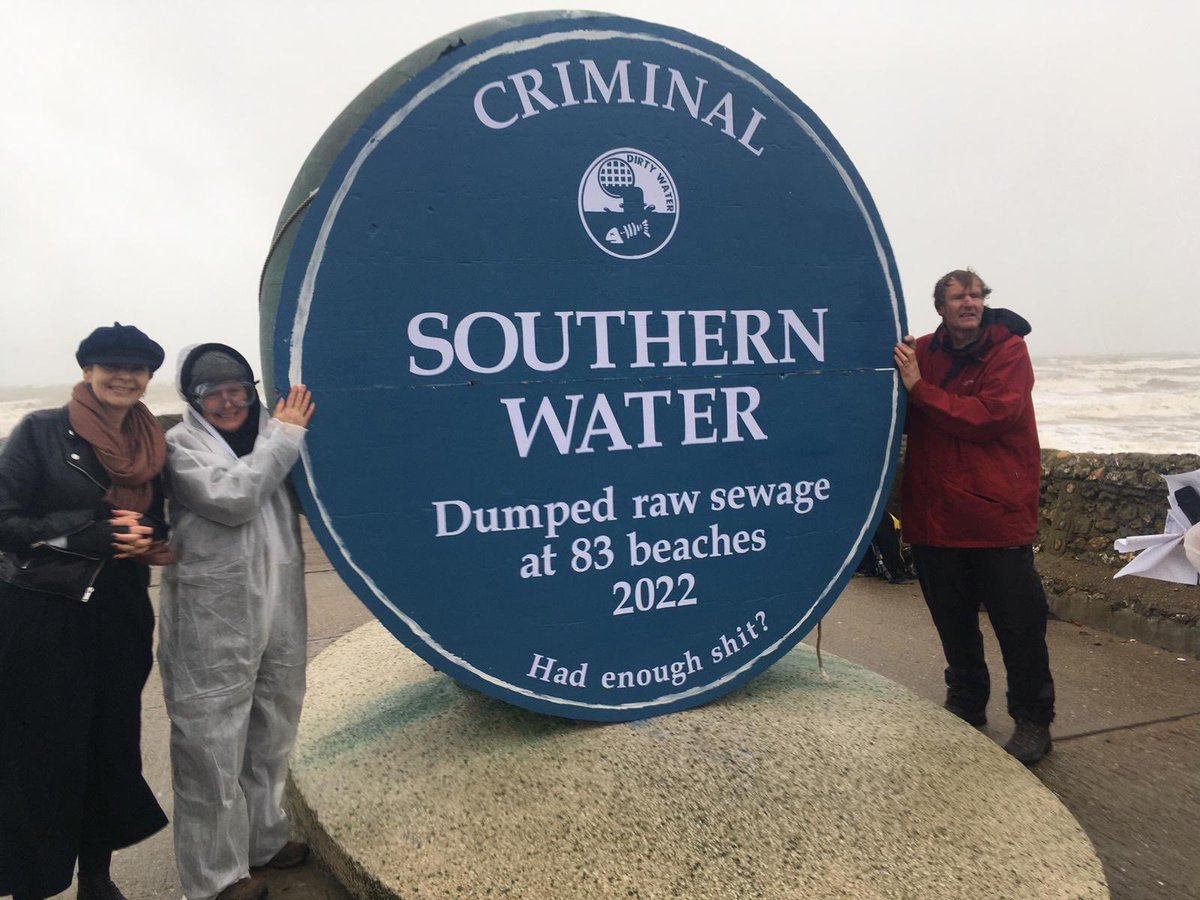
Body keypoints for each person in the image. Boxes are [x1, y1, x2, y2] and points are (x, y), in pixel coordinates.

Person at [0, 323, 171, 900]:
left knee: (111, 741)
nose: (124, 376)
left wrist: (146, 537)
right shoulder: (41, 431)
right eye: (110, 365)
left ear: (149, 378)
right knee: (43, 748)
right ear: (86, 371)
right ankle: (33, 882)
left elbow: (161, 524)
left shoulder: (151, 443)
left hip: (120, 610)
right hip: (44, 614)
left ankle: (97, 876)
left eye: (137, 368)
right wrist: (84, 534)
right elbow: (4, 521)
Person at [158, 343, 315, 900]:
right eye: (214, 393)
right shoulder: (180, 447)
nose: (230, 402)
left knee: (272, 733)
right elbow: (236, 496)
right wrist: (287, 435)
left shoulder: (274, 434)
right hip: (212, 625)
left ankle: (264, 842)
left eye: (239, 390)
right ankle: (215, 879)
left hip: (280, 613)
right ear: (194, 400)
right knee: (210, 753)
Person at [893, 269, 1055, 764]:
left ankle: (1033, 721)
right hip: (935, 515)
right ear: (939, 307)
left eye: (977, 295)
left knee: (1019, 625)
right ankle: (966, 703)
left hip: (993, 515)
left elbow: (990, 416)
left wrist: (919, 388)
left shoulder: (1008, 350)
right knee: (952, 621)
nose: (970, 302)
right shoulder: (921, 350)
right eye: (959, 296)